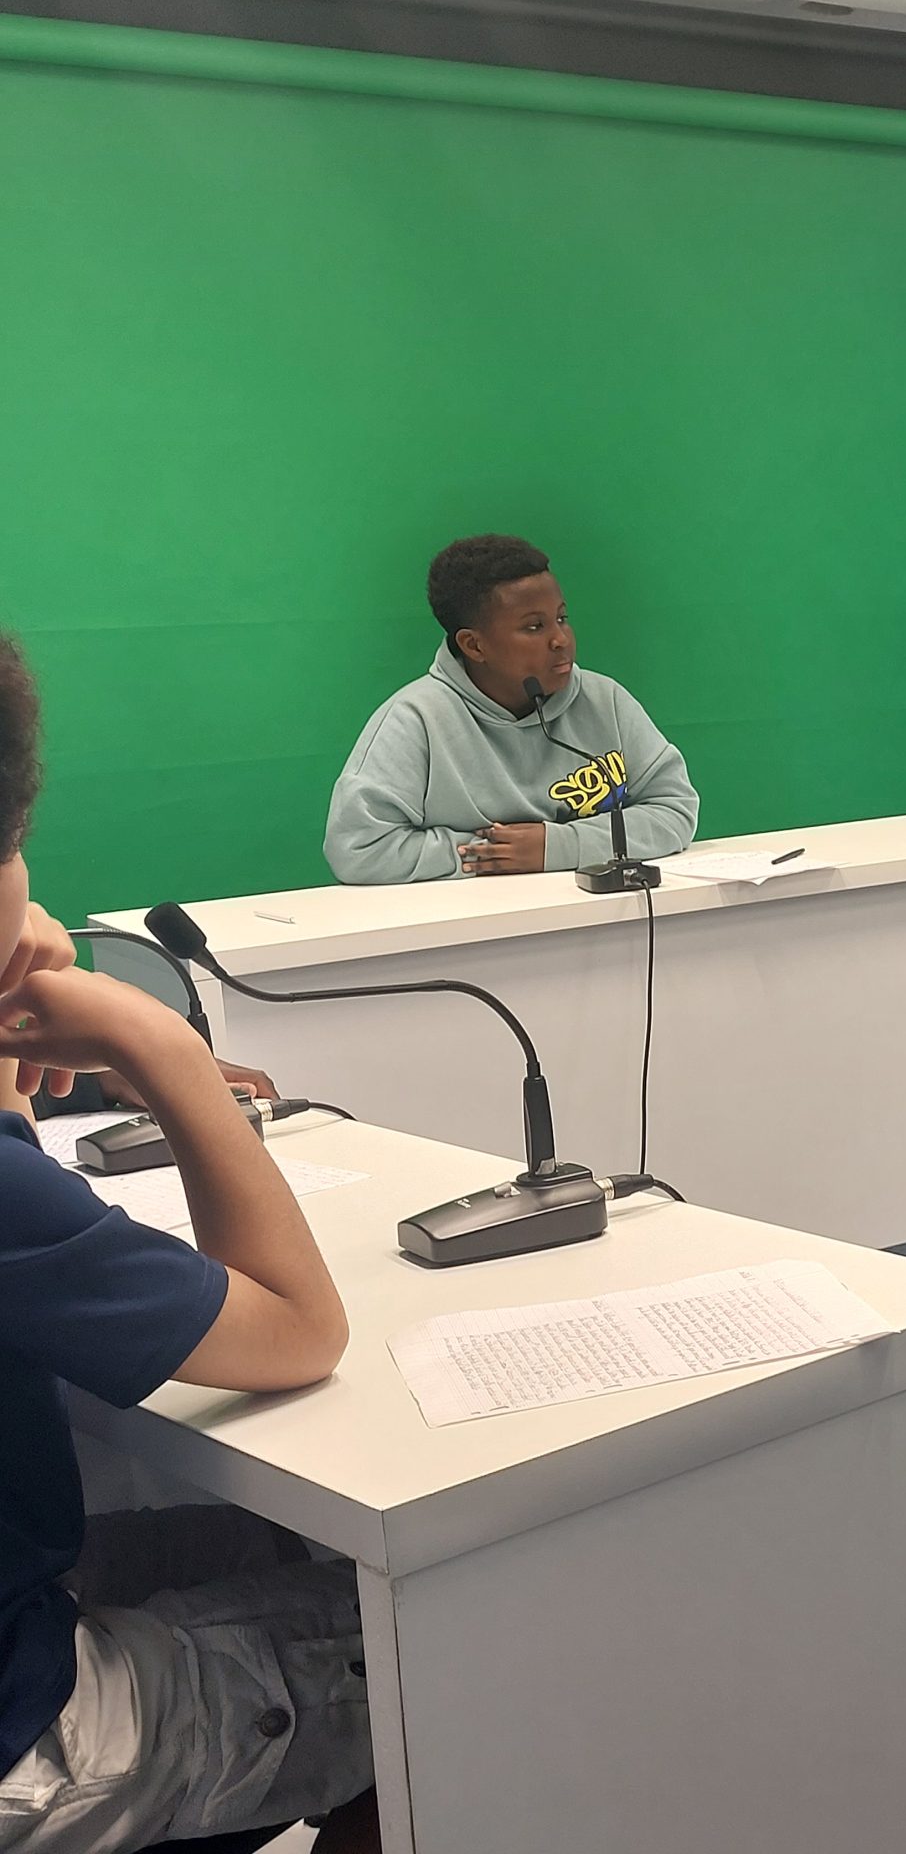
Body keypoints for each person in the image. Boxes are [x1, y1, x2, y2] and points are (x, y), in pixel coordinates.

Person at [0, 633, 377, 1852]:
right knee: (417, 1622)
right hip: (22, 1730)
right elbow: (298, 1331)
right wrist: (161, 1048)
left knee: (254, 1538)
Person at [324, 534, 698, 884]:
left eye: (562, 618)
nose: (560, 639)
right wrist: (495, 854)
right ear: (474, 646)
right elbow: (358, 850)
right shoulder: (415, 720)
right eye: (534, 627)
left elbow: (675, 810)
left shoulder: (605, 701)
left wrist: (556, 847)